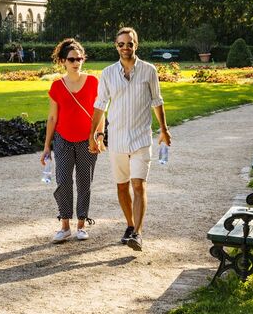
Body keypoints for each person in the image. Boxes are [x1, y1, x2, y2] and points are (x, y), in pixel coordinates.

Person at [89, 27, 172, 252]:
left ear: (137, 44)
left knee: (138, 185)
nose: (125, 48)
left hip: (141, 139)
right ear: (116, 46)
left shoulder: (148, 71)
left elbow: (157, 101)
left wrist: (164, 129)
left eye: (130, 43)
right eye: (121, 44)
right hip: (116, 139)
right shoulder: (107, 74)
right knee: (122, 186)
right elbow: (100, 105)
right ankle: (129, 224)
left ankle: (137, 233)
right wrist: (94, 134)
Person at [41, 39, 99, 243]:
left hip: (87, 141)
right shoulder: (57, 86)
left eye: (80, 58)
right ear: (63, 61)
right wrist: (47, 145)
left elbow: (99, 113)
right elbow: (52, 118)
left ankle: (81, 224)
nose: (76, 62)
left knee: (85, 183)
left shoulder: (93, 82)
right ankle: (65, 225)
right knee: (63, 181)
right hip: (63, 140)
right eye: (72, 59)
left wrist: (98, 136)